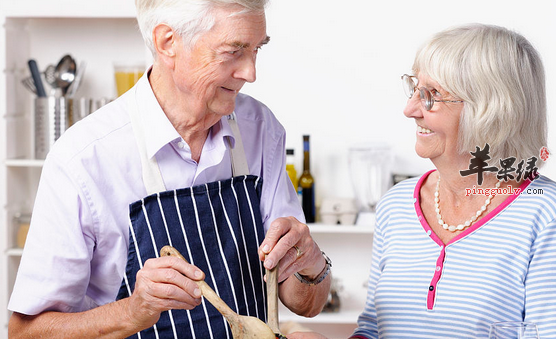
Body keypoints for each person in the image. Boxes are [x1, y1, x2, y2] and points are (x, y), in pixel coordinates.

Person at [8, 0, 332, 338]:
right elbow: (24, 332)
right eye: (233, 51)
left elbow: (307, 304)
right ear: (168, 42)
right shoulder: (84, 159)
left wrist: (310, 263)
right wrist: (132, 313)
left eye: (256, 50)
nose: (251, 73)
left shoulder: (260, 130)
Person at [288, 24, 556, 339]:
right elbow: (374, 330)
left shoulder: (543, 213)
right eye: (414, 89)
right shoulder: (397, 204)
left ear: (489, 109)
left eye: (431, 95)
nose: (410, 109)